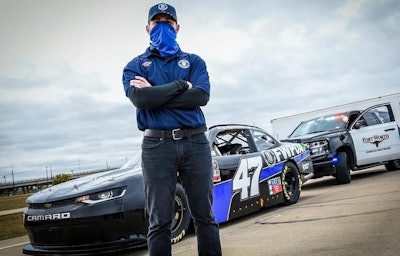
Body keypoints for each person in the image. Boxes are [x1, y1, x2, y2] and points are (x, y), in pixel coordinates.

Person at [122, 3, 222, 256]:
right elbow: (140, 100)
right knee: (159, 221)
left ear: (177, 27)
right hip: (157, 147)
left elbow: (200, 96)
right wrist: (181, 85)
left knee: (204, 215)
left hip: (195, 143)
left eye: (168, 21)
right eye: (158, 22)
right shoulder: (135, 65)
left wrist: (154, 93)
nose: (163, 26)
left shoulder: (194, 61)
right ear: (148, 28)